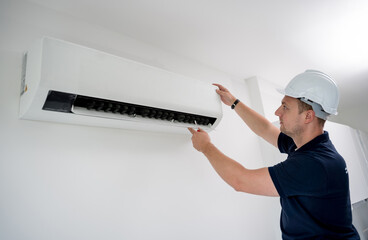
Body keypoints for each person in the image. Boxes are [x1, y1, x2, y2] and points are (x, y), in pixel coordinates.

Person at [188, 70, 360, 239]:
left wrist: (206, 147)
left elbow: (240, 181)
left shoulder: (315, 163)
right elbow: (265, 129)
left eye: (285, 107)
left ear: (308, 116)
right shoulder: (307, 145)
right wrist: (234, 102)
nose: (277, 112)